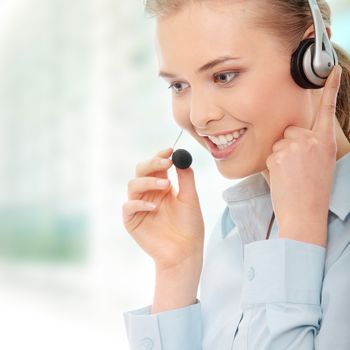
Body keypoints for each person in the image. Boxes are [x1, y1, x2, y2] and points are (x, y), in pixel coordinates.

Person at [121, 0, 350, 349]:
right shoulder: (233, 231)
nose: (198, 116)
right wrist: (176, 270)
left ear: (314, 59)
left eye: (223, 76)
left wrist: (299, 237)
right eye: (179, 86)